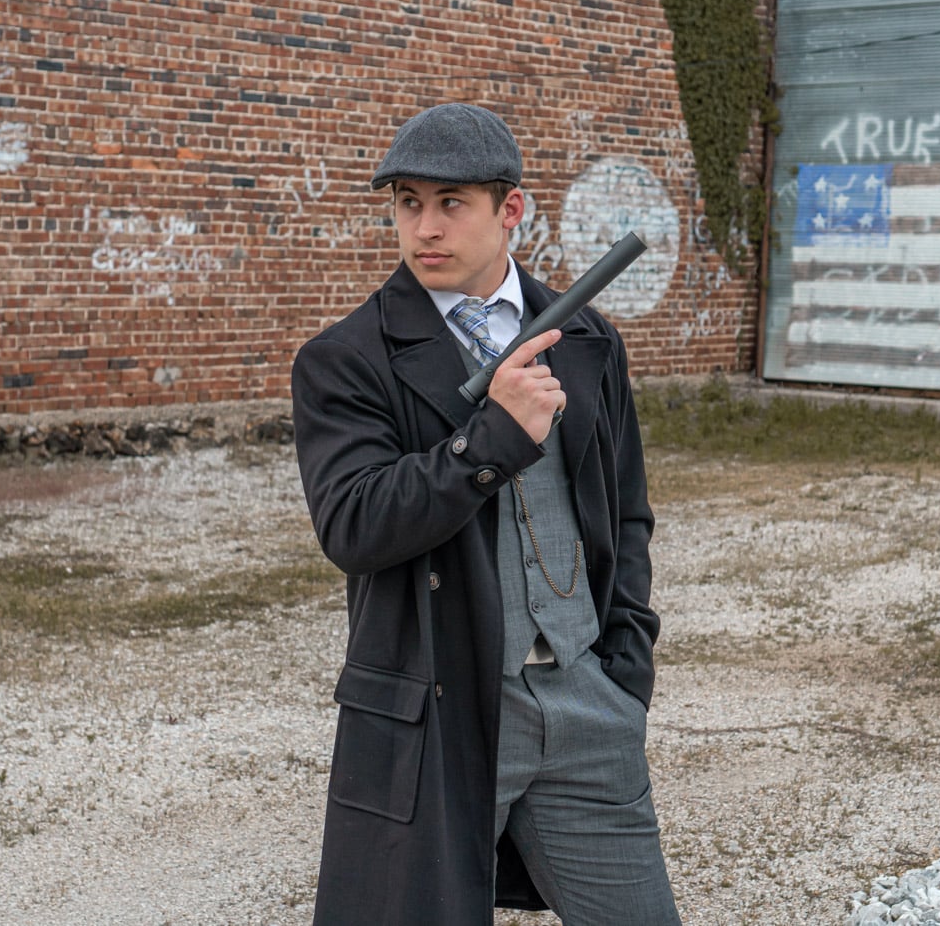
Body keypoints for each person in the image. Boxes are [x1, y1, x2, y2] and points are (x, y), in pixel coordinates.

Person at [290, 102, 681, 926]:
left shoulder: (588, 339)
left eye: (450, 202)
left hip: (587, 703)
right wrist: (489, 440)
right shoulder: (347, 358)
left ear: (510, 210)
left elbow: (627, 512)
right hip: (440, 713)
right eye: (407, 203)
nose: (424, 227)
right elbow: (353, 525)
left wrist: (625, 666)